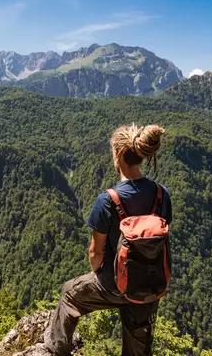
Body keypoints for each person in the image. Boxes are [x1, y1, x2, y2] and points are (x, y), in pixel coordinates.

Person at [44, 124, 172, 356]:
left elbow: (96, 252)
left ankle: (56, 349)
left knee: (69, 293)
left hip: (113, 284)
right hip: (149, 285)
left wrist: (98, 274)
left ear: (119, 156)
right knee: (138, 346)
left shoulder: (108, 200)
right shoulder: (162, 194)